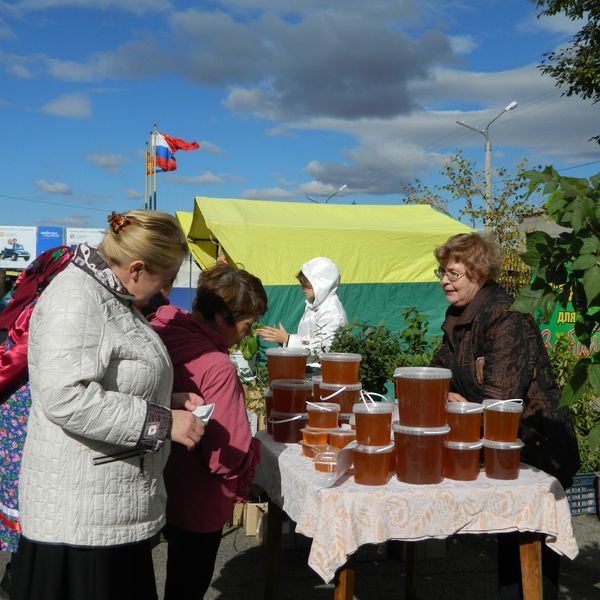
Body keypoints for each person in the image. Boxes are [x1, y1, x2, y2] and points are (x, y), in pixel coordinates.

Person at [11, 210, 205, 600]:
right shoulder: (76, 299)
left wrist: (165, 396)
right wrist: (163, 422)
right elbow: (67, 397)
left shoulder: (110, 294)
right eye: (164, 282)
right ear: (135, 269)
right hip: (80, 520)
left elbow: (111, 376)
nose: (165, 293)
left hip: (107, 506)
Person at [430, 231, 580, 600]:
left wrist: (455, 398)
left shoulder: (504, 318)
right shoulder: (458, 317)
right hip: (506, 447)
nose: (445, 280)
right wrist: (446, 395)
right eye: (442, 272)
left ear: (478, 274)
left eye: (453, 273)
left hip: (538, 447)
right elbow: (436, 374)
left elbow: (501, 400)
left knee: (530, 547)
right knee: (511, 546)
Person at [149, 263, 267, 599]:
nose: (251, 329)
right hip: (198, 501)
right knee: (186, 586)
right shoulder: (218, 367)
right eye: (248, 322)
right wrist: (253, 455)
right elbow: (224, 458)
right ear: (221, 319)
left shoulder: (161, 330)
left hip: (160, 486)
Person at [0, 246, 73, 599]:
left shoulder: (27, 306)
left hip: (22, 412)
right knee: (28, 494)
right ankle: (23, 577)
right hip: (25, 413)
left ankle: (24, 573)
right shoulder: (42, 312)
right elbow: (10, 363)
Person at [256, 256, 347, 356]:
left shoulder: (332, 311)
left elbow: (325, 347)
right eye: (302, 284)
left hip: (327, 369)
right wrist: (284, 340)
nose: (303, 288)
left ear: (321, 283)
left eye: (306, 284)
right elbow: (308, 340)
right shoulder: (314, 306)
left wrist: (288, 339)